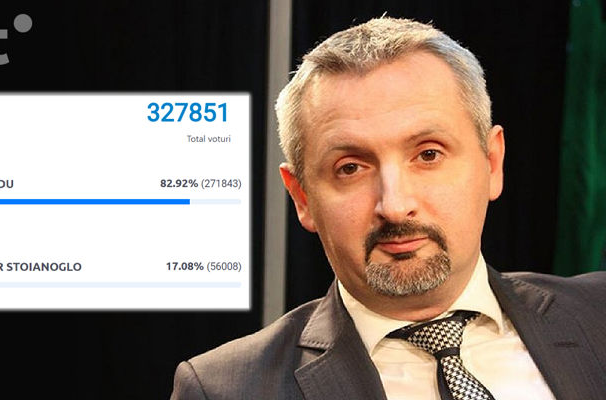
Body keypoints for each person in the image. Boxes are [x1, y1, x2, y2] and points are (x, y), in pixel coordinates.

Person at [171, 17, 606, 399]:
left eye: (428, 155)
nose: (395, 207)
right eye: (350, 168)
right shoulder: (226, 389)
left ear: (492, 163)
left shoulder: (598, 314)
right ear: (302, 197)